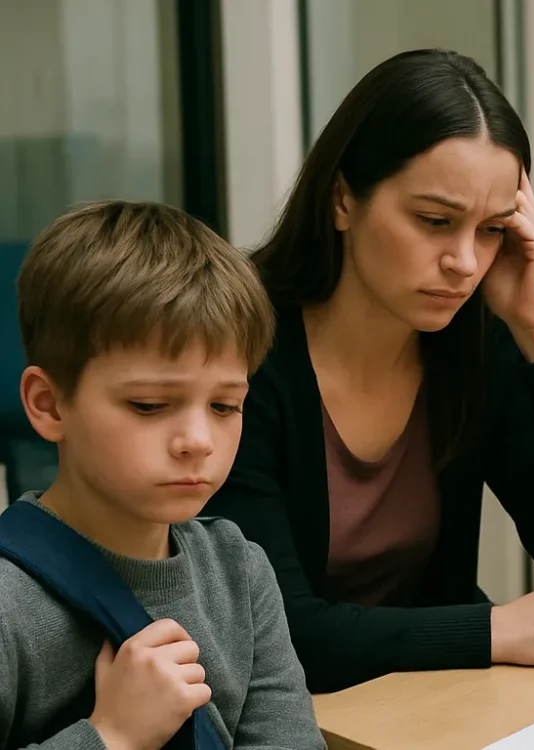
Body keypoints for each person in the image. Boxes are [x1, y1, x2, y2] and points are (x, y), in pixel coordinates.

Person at [204, 49, 534, 693]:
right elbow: (279, 633)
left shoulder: (469, 343)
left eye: (493, 229)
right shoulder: (239, 351)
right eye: (435, 221)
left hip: (429, 703)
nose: (466, 263)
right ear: (342, 199)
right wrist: (489, 630)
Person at [0, 201, 326, 749]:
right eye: (150, 405)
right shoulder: (10, 603)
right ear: (50, 404)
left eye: (225, 406)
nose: (198, 441)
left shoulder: (239, 572)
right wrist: (113, 736)